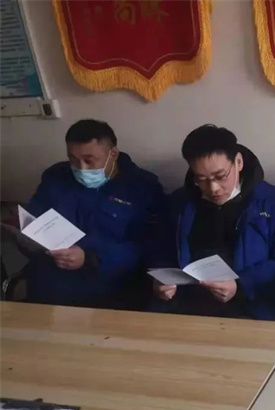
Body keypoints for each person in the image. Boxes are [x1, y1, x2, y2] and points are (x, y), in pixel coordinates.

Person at [151, 125, 275, 320]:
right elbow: (161, 250)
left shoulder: (273, 203)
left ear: (238, 162)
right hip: (186, 307)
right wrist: (161, 281)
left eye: (220, 176)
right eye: (201, 179)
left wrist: (240, 285)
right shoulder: (180, 203)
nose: (213, 188)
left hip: (250, 309)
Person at [16, 119, 165, 308]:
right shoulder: (55, 177)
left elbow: (150, 245)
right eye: (73, 159)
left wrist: (91, 258)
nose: (81, 168)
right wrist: (29, 240)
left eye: (89, 160)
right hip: (53, 283)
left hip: (113, 288)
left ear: (113, 154)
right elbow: (34, 220)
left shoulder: (143, 186)